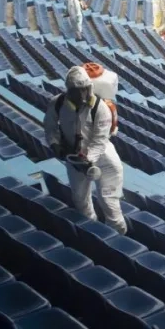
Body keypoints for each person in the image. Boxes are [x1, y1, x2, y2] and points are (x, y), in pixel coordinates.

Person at [44, 66, 127, 234]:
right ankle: (93, 232)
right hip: (75, 160)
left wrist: (87, 159)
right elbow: (50, 128)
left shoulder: (101, 108)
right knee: (80, 200)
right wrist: (55, 145)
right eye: (78, 91)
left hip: (103, 160)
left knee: (109, 201)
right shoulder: (57, 104)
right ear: (69, 90)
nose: (83, 95)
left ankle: (119, 235)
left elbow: (99, 140)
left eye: (85, 89)